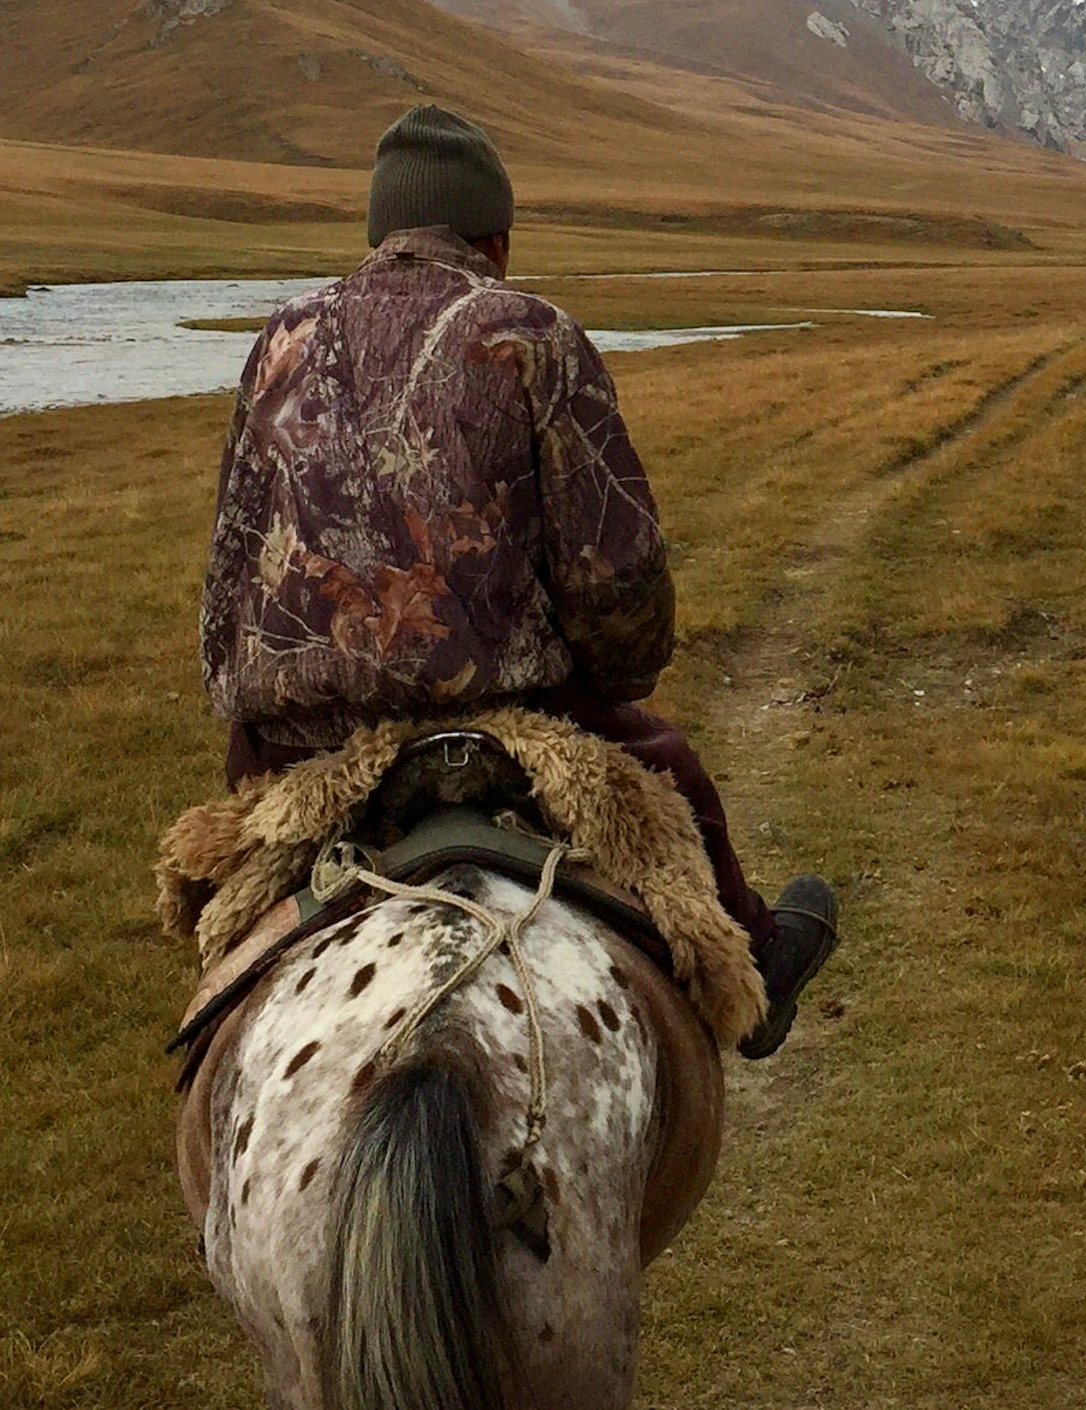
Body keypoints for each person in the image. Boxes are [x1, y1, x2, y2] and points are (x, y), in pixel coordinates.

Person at [199, 102, 837, 1058]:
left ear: (382, 232)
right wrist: (621, 678)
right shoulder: (529, 332)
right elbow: (613, 570)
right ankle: (754, 968)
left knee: (222, 888)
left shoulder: (279, 338)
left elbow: (231, 569)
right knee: (674, 779)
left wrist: (263, 701)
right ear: (494, 237)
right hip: (504, 711)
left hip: (305, 736)